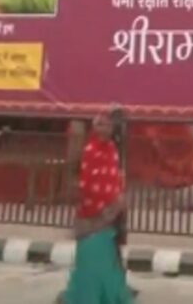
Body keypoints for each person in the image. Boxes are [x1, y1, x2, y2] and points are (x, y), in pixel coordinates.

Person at [59, 111, 133, 304]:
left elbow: (115, 178)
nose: (105, 129)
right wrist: (101, 201)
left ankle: (111, 296)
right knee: (89, 261)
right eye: (100, 125)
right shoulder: (89, 150)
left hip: (112, 215)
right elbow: (87, 181)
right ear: (94, 127)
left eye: (108, 125)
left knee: (109, 261)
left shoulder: (113, 150)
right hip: (90, 215)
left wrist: (118, 201)